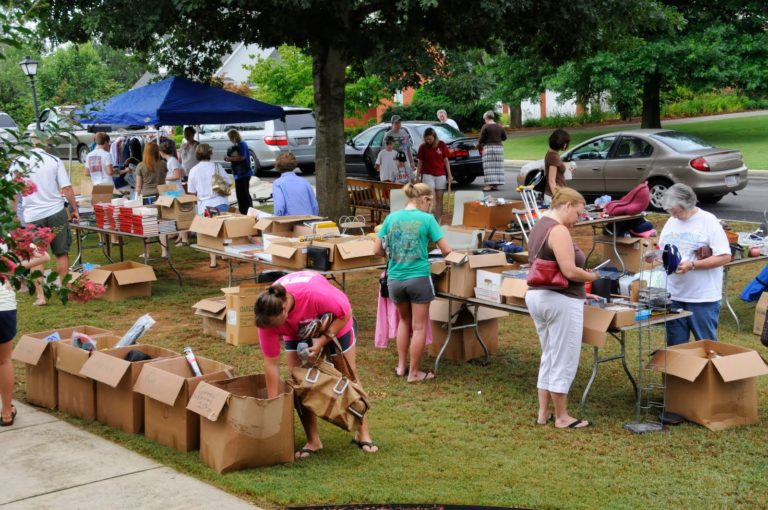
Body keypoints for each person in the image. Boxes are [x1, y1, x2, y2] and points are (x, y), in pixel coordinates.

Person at [255, 271, 378, 457]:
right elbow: (271, 365)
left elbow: (345, 312)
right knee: (299, 380)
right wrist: (274, 404)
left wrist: (321, 341)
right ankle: (313, 441)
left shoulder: (315, 294)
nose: (274, 330)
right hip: (298, 331)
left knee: (348, 375)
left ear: (285, 309)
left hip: (336, 322)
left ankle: (363, 433)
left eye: (275, 325)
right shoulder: (267, 319)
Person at [525, 187, 598, 429]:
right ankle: (562, 416)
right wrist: (592, 276)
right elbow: (568, 270)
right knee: (564, 357)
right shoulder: (558, 230)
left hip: (539, 297)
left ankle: (543, 412)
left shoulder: (539, 225)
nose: (577, 221)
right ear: (567, 205)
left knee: (550, 355)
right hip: (560, 299)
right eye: (577, 213)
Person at [373, 182, 451, 382]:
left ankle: (401, 367)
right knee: (418, 326)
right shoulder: (426, 219)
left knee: (404, 321)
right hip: (418, 278)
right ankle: (414, 373)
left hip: (395, 279)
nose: (429, 207)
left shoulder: (391, 218)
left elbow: (376, 250)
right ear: (424, 199)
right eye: (429, 203)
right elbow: (446, 250)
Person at [658, 183, 730, 346]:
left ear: (689, 204)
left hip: (701, 298)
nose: (674, 216)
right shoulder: (671, 221)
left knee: (706, 345)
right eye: (671, 212)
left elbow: (725, 257)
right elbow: (662, 248)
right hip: (674, 295)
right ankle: (675, 373)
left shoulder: (708, 221)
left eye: (677, 212)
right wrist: (656, 257)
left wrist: (693, 265)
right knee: (675, 347)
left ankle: (708, 372)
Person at [13, 142, 79, 305]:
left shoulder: (18, 161)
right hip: (56, 213)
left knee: (37, 256)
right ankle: (65, 292)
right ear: (45, 145)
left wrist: (16, 213)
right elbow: (67, 188)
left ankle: (41, 297)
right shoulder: (54, 160)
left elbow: (14, 191)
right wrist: (74, 209)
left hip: (33, 216)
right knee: (61, 253)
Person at [186, 143, 232, 268]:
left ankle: (213, 261)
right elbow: (229, 182)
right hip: (220, 201)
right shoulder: (217, 166)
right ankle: (224, 254)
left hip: (204, 204)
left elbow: (191, 192)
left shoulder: (193, 170)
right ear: (210, 154)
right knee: (223, 230)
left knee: (209, 232)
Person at [416, 127, 451, 223]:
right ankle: (428, 218)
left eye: (430, 139)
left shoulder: (442, 145)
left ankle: (438, 220)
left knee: (440, 198)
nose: (428, 141)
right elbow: (420, 163)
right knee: (429, 197)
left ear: (434, 137)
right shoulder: (423, 147)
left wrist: (450, 174)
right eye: (426, 139)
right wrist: (417, 176)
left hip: (440, 174)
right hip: (427, 175)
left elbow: (446, 160)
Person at [158, 141, 189, 246]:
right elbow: (182, 173)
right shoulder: (172, 160)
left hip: (176, 191)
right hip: (174, 191)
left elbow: (177, 175)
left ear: (161, 152)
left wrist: (164, 177)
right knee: (177, 215)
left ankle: (184, 239)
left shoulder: (171, 161)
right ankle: (181, 237)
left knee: (179, 215)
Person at [223, 129, 253, 215]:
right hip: (239, 174)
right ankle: (244, 211)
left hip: (243, 173)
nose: (229, 139)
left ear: (233, 137)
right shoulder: (238, 145)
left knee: (243, 194)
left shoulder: (242, 144)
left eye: (230, 137)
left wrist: (229, 158)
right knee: (241, 194)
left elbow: (242, 157)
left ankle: (247, 211)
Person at [477, 110, 507, 192]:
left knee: (489, 167)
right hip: (499, 148)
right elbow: (504, 138)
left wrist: (477, 146)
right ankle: (495, 185)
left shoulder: (485, 126)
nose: (484, 120)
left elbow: (481, 139)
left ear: (486, 118)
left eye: (484, 119)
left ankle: (489, 186)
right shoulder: (499, 126)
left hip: (489, 148)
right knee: (497, 166)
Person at [544, 129, 571, 204]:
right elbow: (551, 180)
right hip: (554, 196)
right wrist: (557, 197)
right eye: (566, 143)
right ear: (563, 144)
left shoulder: (551, 153)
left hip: (555, 194)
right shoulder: (554, 157)